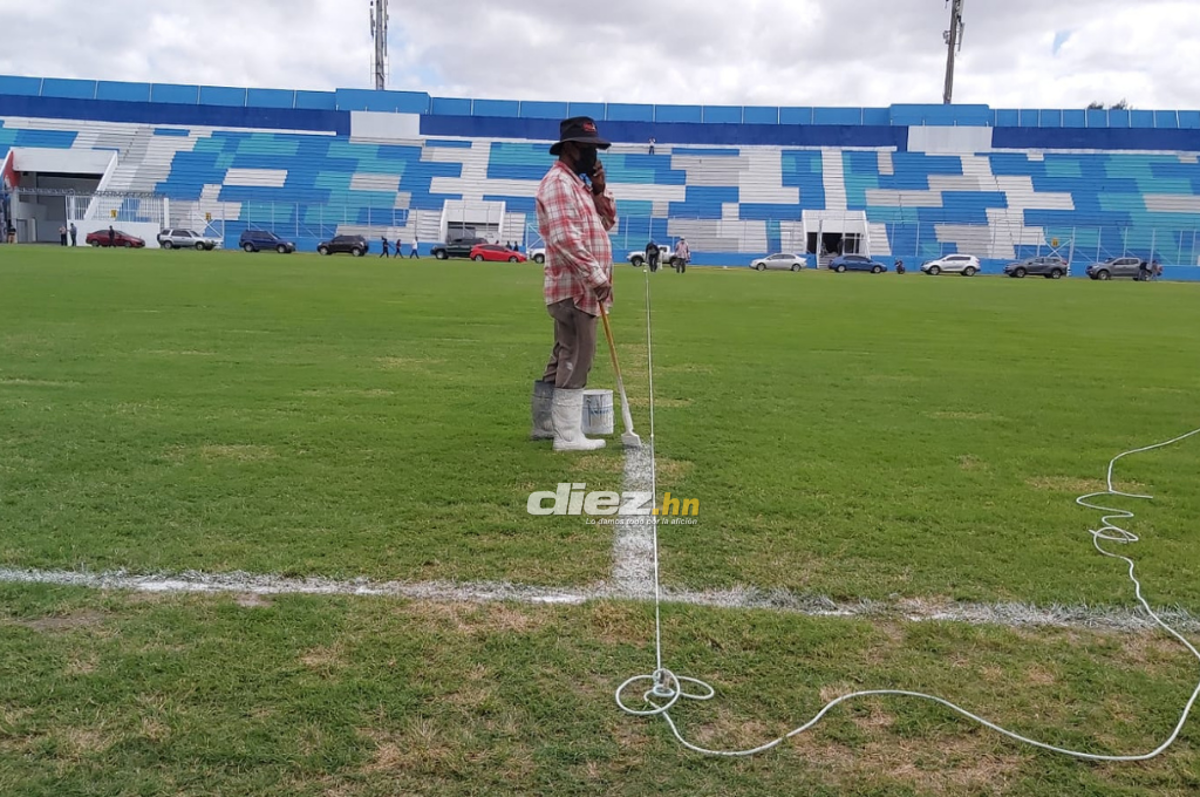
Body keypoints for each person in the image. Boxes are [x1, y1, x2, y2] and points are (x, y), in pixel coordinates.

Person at [530, 116, 617, 452]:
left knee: (563, 353)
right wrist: (596, 277)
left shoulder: (578, 185)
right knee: (578, 354)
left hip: (577, 286)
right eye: (589, 148)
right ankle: (567, 435)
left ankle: (545, 425)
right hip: (575, 288)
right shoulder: (559, 184)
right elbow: (566, 238)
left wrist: (599, 189)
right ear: (570, 148)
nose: (595, 155)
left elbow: (607, 222)